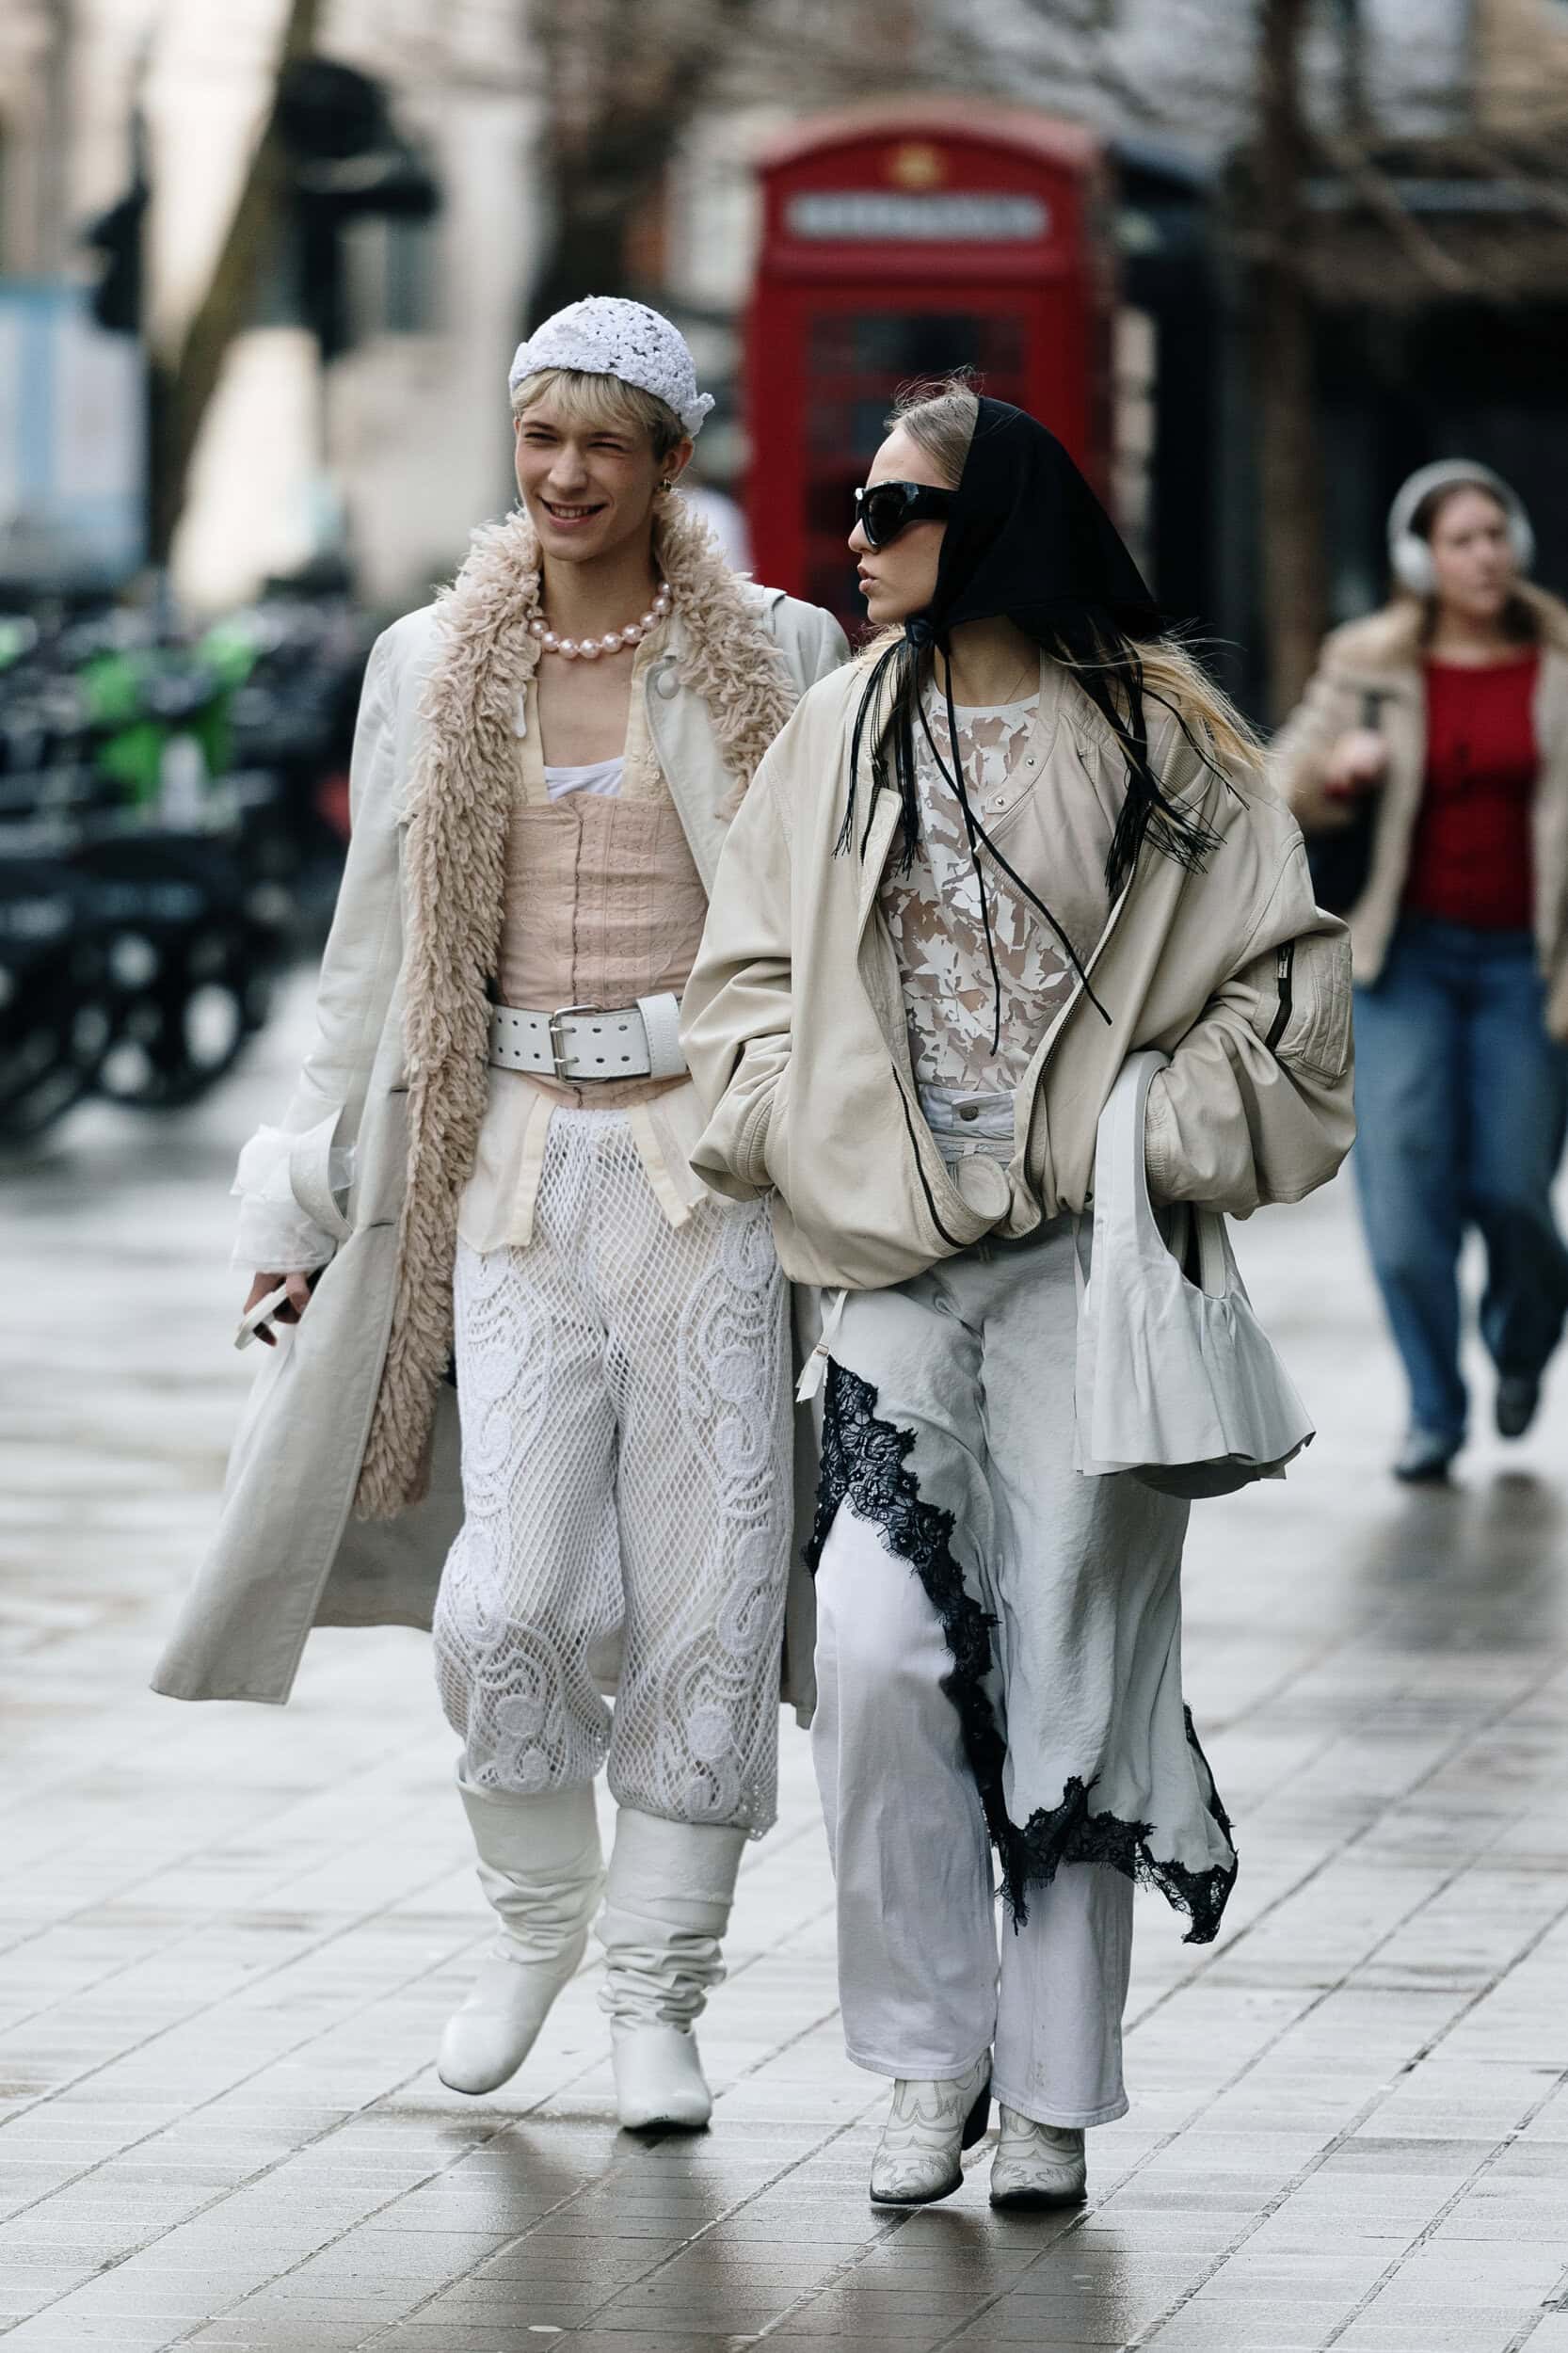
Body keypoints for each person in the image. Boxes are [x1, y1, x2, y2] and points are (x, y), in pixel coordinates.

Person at [152, 299, 846, 2130]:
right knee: (513, 1597)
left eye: (604, 442)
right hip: (511, 1167)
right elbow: (366, 953)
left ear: (669, 461)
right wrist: (300, 1192)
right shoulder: (427, 660)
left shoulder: (776, 648)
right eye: (542, 437)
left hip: (708, 1182)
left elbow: (835, 936)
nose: (565, 473)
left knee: (710, 1599)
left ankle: (657, 1998)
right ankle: (537, 1919)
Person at [681, 381, 1354, 2210]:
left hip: (1091, 1268)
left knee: (1071, 1662)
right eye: (854, 501)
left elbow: (1287, 1002)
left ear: (988, 522)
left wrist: (1135, 1132)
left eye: (891, 507)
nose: (853, 536)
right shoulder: (839, 727)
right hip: (888, 1267)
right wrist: (790, 1125)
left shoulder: (1160, 741)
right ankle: (928, 2057)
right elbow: (740, 977)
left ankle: (1048, 2092)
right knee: (874, 1651)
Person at [1275, 461, 1568, 1482]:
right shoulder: (1368, 661)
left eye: (1495, 533)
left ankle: (1524, 1342)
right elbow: (1280, 780)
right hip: (1404, 962)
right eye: (1460, 539)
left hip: (1527, 967)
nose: (1484, 554)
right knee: (1404, 1207)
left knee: (1514, 1191)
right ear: (1420, 559)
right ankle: (1434, 1410)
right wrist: (1336, 773)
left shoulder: (1558, 657)